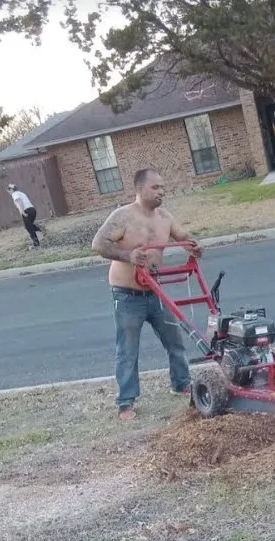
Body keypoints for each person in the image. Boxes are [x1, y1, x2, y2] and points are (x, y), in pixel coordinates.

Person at [91, 168, 203, 421]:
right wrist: (127, 255)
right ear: (140, 190)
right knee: (128, 349)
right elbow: (98, 244)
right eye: (155, 187)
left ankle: (181, 383)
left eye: (162, 187)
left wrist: (194, 245)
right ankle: (126, 401)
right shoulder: (123, 216)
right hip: (127, 294)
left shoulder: (165, 217)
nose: (161, 191)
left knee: (174, 340)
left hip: (155, 289)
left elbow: (183, 236)